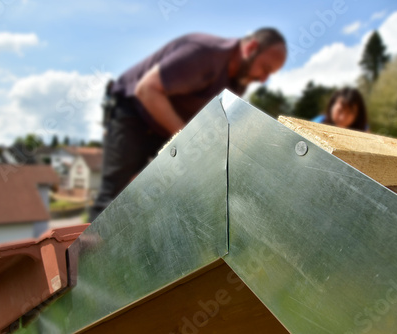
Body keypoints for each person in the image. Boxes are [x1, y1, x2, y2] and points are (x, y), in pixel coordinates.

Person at [89, 28, 287, 222]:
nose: (263, 79)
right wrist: (187, 138)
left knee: (161, 199)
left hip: (164, 129)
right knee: (113, 198)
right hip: (133, 111)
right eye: (265, 69)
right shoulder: (203, 52)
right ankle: (86, 251)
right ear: (251, 48)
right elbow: (147, 90)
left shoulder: (238, 83)